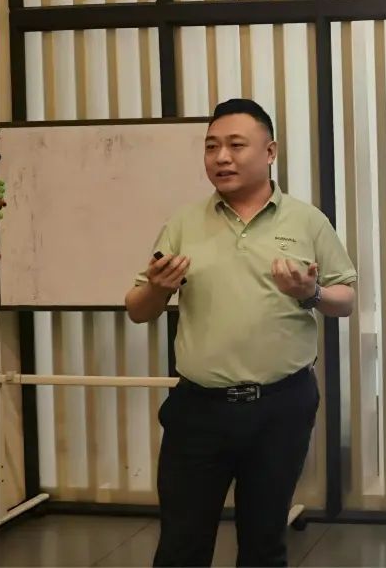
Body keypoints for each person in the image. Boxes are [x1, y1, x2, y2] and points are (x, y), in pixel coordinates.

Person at [125, 98, 357, 567]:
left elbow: (346, 298)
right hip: (198, 409)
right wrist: (157, 289)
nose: (221, 158)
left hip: (280, 408)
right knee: (181, 546)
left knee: (263, 543)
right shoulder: (184, 222)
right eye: (211, 147)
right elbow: (137, 308)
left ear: (270, 152)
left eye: (235, 145)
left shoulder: (306, 220)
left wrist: (311, 293)